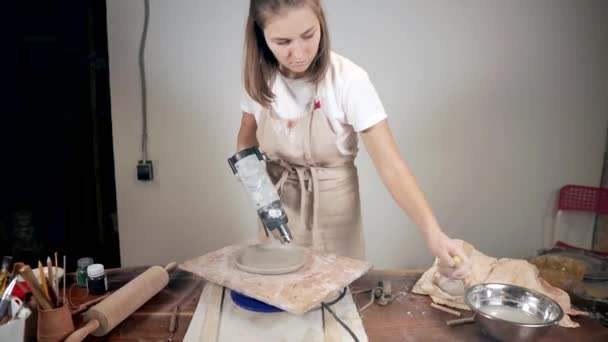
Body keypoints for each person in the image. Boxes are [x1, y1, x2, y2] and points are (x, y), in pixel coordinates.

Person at [236, 0, 470, 278]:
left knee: (334, 298)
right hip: (276, 208)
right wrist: (262, 197)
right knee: (276, 294)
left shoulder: (348, 79)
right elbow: (246, 140)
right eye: (282, 41)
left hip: (334, 214)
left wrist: (433, 233)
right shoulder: (260, 79)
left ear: (321, 21)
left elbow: (391, 166)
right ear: (259, 34)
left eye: (308, 35)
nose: (298, 53)